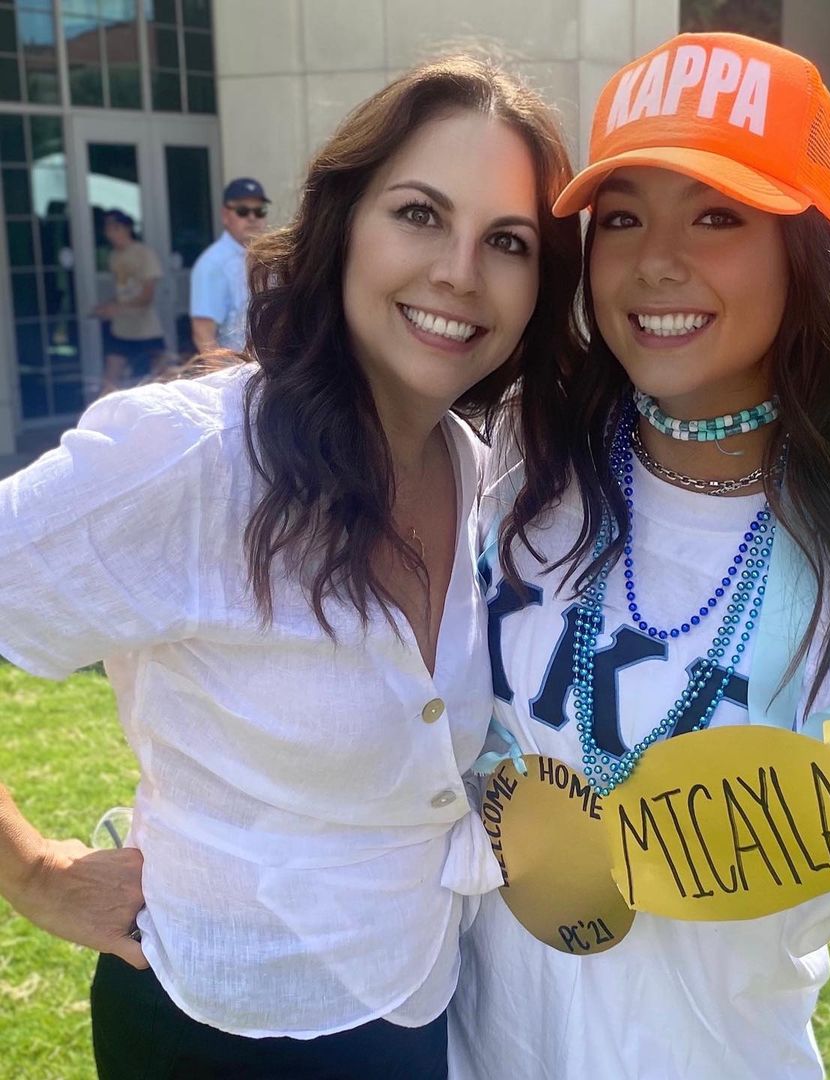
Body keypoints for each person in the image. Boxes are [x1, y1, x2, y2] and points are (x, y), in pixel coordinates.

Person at [449, 33, 830, 1079]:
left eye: (717, 216)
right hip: (470, 1051)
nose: (656, 260)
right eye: (623, 218)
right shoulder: (522, 456)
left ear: (805, 252)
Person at [0, 56, 579, 1079]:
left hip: (420, 1009)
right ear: (343, 223)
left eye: (508, 241)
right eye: (419, 214)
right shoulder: (197, 457)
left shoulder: (483, 474)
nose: (460, 272)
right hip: (215, 1023)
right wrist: (34, 872)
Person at [189, 177, 272, 355]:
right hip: (237, 368)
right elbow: (203, 334)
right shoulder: (213, 263)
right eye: (242, 211)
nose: (252, 218)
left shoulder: (270, 257)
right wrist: (223, 371)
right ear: (225, 216)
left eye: (259, 210)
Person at [93, 209, 166, 393]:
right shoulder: (114, 256)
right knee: (110, 380)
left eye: (115, 228)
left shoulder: (144, 253)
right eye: (108, 229)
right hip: (121, 330)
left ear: (127, 228)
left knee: (159, 381)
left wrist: (118, 308)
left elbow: (147, 296)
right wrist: (108, 306)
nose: (111, 234)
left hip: (146, 330)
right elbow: (122, 291)